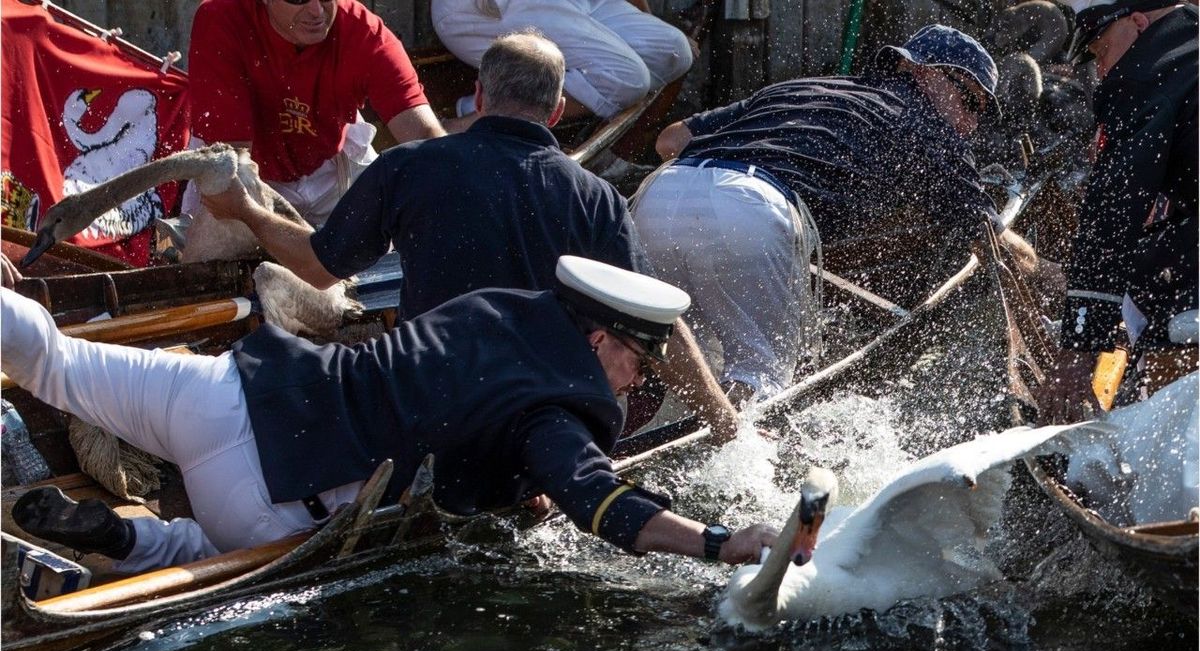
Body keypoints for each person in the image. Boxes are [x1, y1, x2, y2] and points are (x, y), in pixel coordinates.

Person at [6, 257, 777, 573]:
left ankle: (117, 531)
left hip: (223, 392)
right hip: (271, 496)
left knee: (54, 360)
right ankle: (131, 539)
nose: (633, 383)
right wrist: (719, 541)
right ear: (602, 338)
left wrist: (512, 476)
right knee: (210, 542)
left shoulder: (500, 307)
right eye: (637, 364)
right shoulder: (555, 413)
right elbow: (604, 505)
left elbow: (449, 400)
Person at [201, 31, 740, 442]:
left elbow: (317, 270)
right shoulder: (595, 195)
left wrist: (246, 209)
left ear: (479, 96)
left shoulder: (406, 166)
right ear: (556, 110)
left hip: (430, 402)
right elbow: (652, 320)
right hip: (542, 413)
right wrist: (725, 424)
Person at [633, 24, 1047, 402]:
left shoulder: (802, 87)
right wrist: (1053, 276)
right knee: (760, 384)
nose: (971, 125)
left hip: (660, 198)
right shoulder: (929, 125)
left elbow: (670, 141)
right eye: (970, 102)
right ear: (923, 71)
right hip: (752, 211)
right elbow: (996, 244)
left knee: (667, 359)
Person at [1036, 1, 1197, 422]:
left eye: (1101, 51)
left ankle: (1161, 419)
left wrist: (1077, 351)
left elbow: (1112, 215)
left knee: (1154, 274)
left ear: (1138, 23)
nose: (1102, 69)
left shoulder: (1146, 70)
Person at [185, 0, 445, 226]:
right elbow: (233, 163)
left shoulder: (363, 29)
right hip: (246, 173)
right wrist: (297, 245)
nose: (317, 10)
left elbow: (425, 138)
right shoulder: (221, 17)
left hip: (333, 164)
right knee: (208, 265)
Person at [431, 0, 693, 126]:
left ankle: (513, 100)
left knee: (672, 50)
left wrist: (643, 25)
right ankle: (475, 119)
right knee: (629, 79)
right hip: (487, 10)